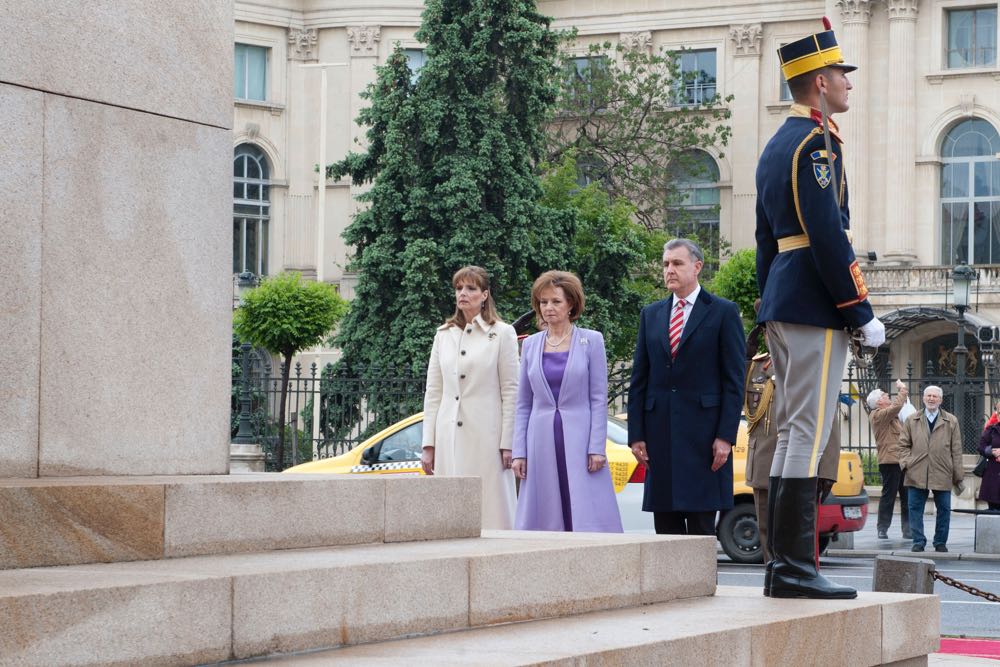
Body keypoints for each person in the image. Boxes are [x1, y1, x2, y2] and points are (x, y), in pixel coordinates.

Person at [755, 20, 886, 600]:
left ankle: (784, 565)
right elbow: (828, 234)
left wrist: (767, 300)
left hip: (785, 299)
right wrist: (859, 309)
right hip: (813, 302)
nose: (847, 85)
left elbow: (765, 240)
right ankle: (794, 568)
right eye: (840, 75)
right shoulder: (817, 144)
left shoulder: (775, 145)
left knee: (791, 433)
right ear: (817, 82)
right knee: (807, 433)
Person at [627, 238, 744, 536]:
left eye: (677, 263)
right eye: (666, 264)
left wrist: (725, 437)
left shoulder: (722, 312)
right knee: (665, 531)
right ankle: (669, 586)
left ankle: (703, 585)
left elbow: (733, 381)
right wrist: (636, 435)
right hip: (659, 437)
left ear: (697, 267)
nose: (669, 270)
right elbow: (639, 378)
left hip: (704, 439)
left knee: (701, 529)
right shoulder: (650, 314)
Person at [512, 271, 622, 532]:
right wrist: (519, 451)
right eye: (543, 302)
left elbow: (597, 399)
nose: (548, 308)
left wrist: (597, 446)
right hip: (540, 439)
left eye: (556, 302)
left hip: (580, 438)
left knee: (584, 507)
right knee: (544, 509)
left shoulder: (591, 341)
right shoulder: (530, 345)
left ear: (571, 304)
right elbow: (523, 403)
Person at [421, 266, 519, 530]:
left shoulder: (502, 333)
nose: (463, 293)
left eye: (471, 288)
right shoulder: (443, 335)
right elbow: (434, 391)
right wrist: (428, 443)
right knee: (450, 512)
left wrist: (508, 442)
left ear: (484, 294)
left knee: (493, 509)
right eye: (459, 288)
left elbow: (511, 391)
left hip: (488, 437)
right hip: (448, 436)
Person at [744, 340, 840, 567]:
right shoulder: (756, 366)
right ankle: (774, 575)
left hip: (802, 465)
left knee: (800, 532)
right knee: (767, 531)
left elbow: (830, 423)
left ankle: (802, 576)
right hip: (764, 462)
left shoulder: (812, 366)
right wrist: (743, 357)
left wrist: (827, 470)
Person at [898, 385, 963, 553]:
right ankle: (918, 541)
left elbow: (956, 450)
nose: (931, 399)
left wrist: (958, 476)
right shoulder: (912, 420)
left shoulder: (951, 420)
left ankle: (940, 542)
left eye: (935, 396)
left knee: (944, 510)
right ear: (923, 398)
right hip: (916, 471)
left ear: (940, 400)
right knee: (915, 509)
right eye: (928, 396)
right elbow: (903, 445)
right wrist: (906, 464)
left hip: (942, 471)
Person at [867, 380, 912, 540]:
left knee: (906, 496)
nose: (889, 397)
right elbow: (897, 406)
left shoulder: (892, 417)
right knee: (889, 496)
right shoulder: (877, 415)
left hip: (902, 460)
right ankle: (882, 528)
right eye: (886, 396)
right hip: (889, 462)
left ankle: (908, 529)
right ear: (879, 402)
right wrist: (903, 389)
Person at [978, 414, 1000, 510]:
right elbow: (981, 447)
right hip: (993, 477)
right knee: (993, 511)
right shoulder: (991, 430)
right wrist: (992, 451)